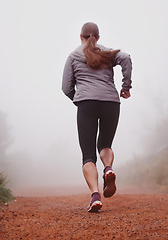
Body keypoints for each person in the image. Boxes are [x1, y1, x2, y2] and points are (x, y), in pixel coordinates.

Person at [62, 22, 132, 212]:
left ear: (80, 37)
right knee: (105, 145)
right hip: (110, 102)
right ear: (98, 37)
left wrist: (79, 98)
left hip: (87, 104)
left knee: (88, 156)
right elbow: (125, 57)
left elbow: (66, 87)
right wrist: (125, 87)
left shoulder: (73, 56)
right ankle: (108, 168)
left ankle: (95, 196)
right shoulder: (107, 53)